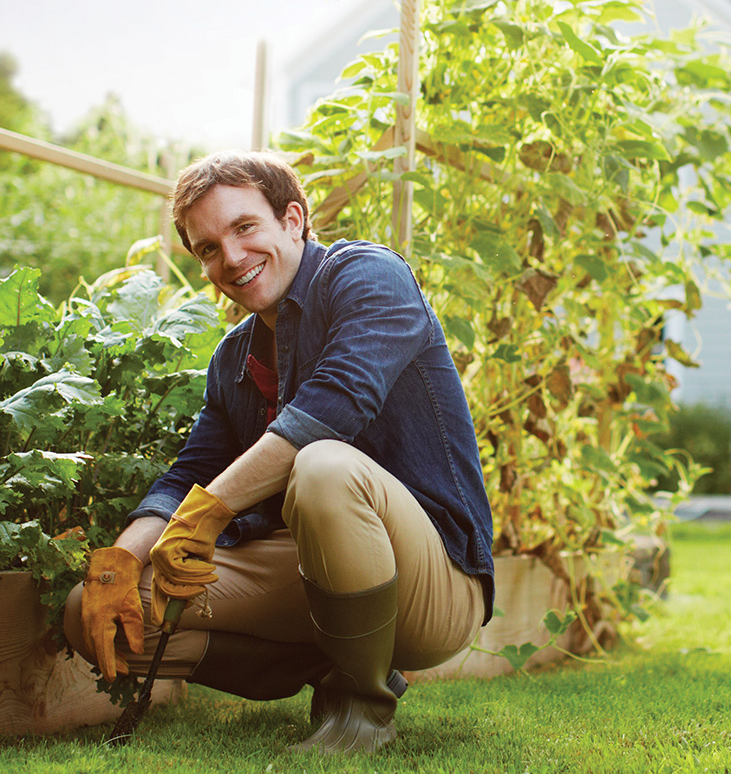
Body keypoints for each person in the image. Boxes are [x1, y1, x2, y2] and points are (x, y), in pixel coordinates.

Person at [64, 150, 495, 754]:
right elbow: (189, 473)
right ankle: (325, 663)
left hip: (433, 583)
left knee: (323, 465)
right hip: (311, 573)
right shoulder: (234, 359)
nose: (231, 258)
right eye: (208, 248)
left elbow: (333, 408)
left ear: (293, 220)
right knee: (92, 610)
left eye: (244, 228)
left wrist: (208, 513)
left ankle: (360, 707)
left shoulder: (368, 275)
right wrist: (119, 561)